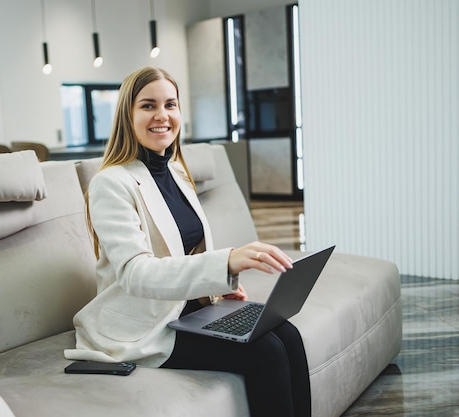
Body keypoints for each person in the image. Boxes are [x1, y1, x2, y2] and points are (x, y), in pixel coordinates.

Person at [64, 66, 311, 417]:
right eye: (148, 106)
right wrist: (225, 262)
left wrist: (215, 288)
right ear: (127, 115)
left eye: (171, 104)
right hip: (142, 324)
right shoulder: (111, 184)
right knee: (266, 352)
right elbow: (136, 274)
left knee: (287, 335)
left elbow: (184, 251)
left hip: (186, 309)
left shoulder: (177, 172)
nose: (162, 115)